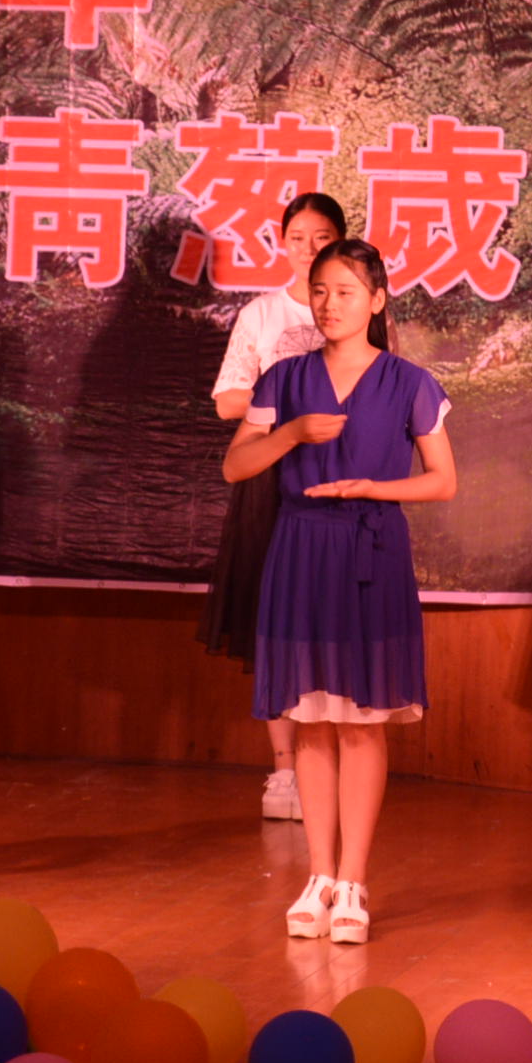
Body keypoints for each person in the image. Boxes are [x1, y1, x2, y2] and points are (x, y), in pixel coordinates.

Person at [224, 239, 456, 945]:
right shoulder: (286, 378)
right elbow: (236, 465)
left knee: (361, 722)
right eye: (320, 290)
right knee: (311, 719)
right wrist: (291, 434)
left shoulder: (410, 382)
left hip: (371, 551)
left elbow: (443, 480)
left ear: (377, 300)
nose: (329, 304)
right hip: (299, 550)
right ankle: (319, 876)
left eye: (346, 292)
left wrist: (373, 489)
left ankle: (353, 881)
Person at [200, 191, 347, 824]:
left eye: (322, 238)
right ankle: (285, 771)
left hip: (342, 481)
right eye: (297, 239)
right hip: (270, 483)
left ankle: (331, 765)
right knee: (277, 628)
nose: (308, 250)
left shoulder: (358, 306)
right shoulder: (262, 313)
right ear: (281, 244)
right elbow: (228, 401)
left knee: (333, 625)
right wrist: (292, 401)